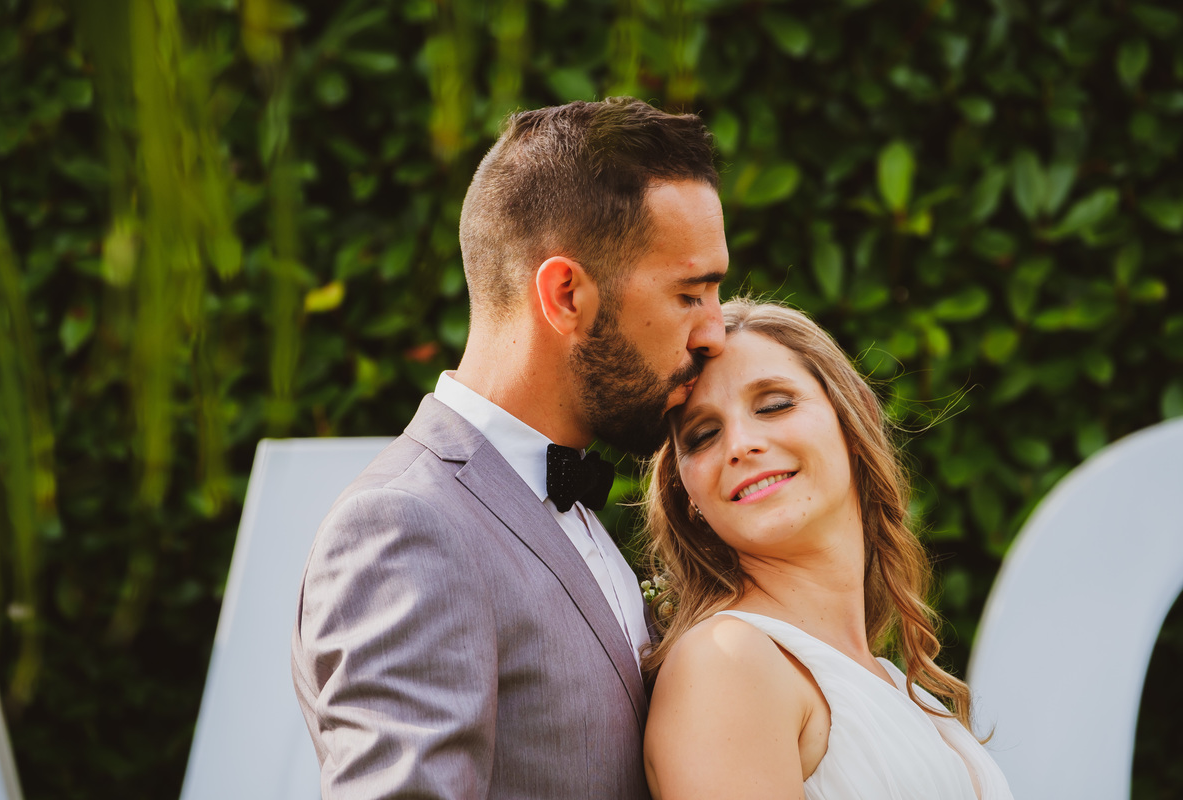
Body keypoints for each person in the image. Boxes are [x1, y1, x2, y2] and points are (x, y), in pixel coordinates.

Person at [291, 97, 728, 798]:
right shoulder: (406, 527)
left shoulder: (569, 506)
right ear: (565, 295)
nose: (715, 334)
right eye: (690, 294)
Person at [641, 298, 1014, 800]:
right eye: (704, 435)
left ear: (851, 417)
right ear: (691, 498)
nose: (739, 444)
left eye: (774, 404)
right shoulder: (727, 662)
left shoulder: (887, 678)